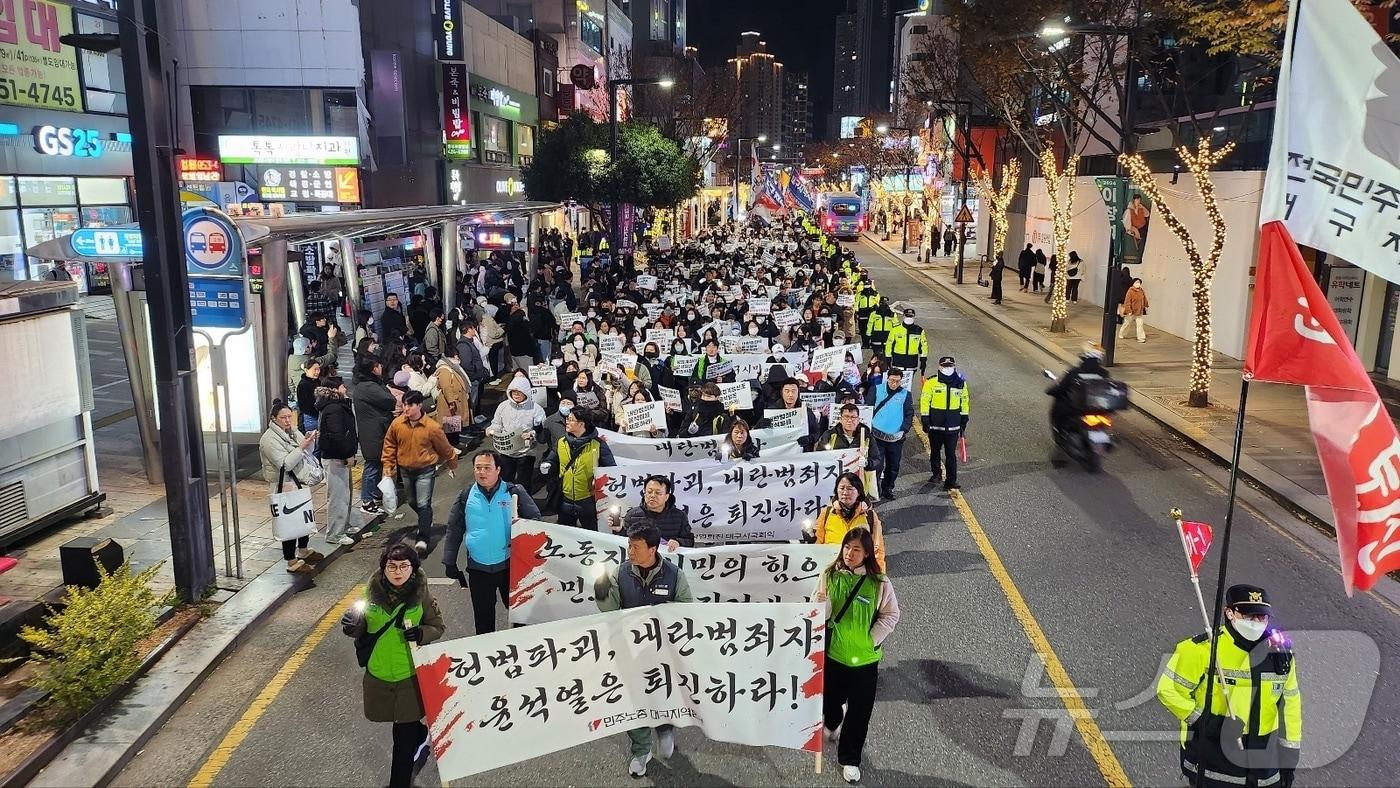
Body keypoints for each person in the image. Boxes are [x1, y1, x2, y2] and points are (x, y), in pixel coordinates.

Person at [1157, 584, 1300, 788]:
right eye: (1249, 616)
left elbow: (1291, 707)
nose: (1256, 622)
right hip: (1214, 763)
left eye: (1262, 617)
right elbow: (1168, 690)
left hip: (1264, 767)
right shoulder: (1202, 649)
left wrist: (1289, 758)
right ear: (1230, 613)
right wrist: (1207, 722)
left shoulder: (1280, 655)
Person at [593, 522, 695, 778]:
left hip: (663, 653)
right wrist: (602, 594)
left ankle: (665, 728)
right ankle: (641, 750)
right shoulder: (621, 573)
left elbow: (686, 610)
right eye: (629, 545)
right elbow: (610, 612)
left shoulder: (674, 575)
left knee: (663, 693)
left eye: (636, 546)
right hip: (629, 651)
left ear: (652, 549)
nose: (630, 551)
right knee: (633, 699)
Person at [341, 542, 445, 788]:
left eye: (403, 566)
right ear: (383, 568)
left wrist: (421, 634)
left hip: (409, 676)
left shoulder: (422, 596)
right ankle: (420, 733)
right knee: (394, 723)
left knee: (402, 736)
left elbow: (437, 627)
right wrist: (351, 624)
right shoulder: (369, 595)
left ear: (413, 568)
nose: (397, 572)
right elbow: (359, 627)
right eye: (392, 566)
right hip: (378, 675)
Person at [814, 528, 900, 784]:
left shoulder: (879, 582)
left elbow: (891, 615)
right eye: (847, 548)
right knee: (830, 702)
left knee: (860, 713)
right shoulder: (829, 575)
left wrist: (871, 641)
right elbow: (819, 615)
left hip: (865, 661)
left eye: (857, 549)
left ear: (867, 553)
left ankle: (849, 759)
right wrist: (821, 602)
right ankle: (833, 720)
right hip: (834, 656)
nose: (850, 554)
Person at [443, 450, 541, 633]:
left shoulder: (513, 492)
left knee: (521, 617)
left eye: (487, 468)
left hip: (510, 567)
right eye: (478, 468)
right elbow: (454, 529)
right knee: (483, 620)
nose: (482, 472)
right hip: (478, 569)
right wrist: (449, 561)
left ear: (498, 470)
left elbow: (535, 520)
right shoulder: (465, 496)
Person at [381, 391, 458, 556]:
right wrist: (388, 465)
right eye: (404, 405)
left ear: (419, 405)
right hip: (405, 470)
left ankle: (423, 538)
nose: (406, 409)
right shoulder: (397, 424)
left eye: (410, 405)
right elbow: (389, 446)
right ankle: (426, 519)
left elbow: (445, 448)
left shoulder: (432, 427)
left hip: (425, 470)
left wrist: (452, 465)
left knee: (423, 504)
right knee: (411, 501)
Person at [258, 400, 324, 574]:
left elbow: (307, 452)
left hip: (298, 481)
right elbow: (284, 465)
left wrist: (308, 440)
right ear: (274, 419)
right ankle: (291, 560)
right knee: (288, 523)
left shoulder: (291, 431)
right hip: (283, 485)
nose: (288, 421)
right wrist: (301, 447)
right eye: (283, 417)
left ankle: (303, 549)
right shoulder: (269, 439)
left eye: (289, 417)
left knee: (303, 517)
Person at [541, 407, 616, 530]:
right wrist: (547, 464)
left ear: (581, 424)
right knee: (566, 535)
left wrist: (598, 481)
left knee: (591, 535)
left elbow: (611, 471)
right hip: (565, 499)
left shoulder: (598, 444)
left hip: (588, 502)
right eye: (567, 419)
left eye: (571, 420)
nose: (567, 422)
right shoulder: (561, 442)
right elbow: (552, 459)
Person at [315, 376, 361, 548]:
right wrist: (347, 454)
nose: (345, 388)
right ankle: (335, 533)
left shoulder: (337, 405)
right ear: (334, 390)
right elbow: (337, 436)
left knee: (344, 495)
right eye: (342, 386)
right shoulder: (334, 408)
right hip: (336, 457)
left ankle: (341, 528)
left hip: (338, 456)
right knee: (338, 497)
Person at [809, 472, 885, 571]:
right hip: (832, 570)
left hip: (859, 572)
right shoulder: (827, 512)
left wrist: (880, 576)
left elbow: (877, 548)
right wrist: (810, 541)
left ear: (859, 492)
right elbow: (818, 543)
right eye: (841, 488)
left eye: (850, 489)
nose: (845, 492)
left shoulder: (869, 516)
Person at [920, 355, 970, 490]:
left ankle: (951, 480)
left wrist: (964, 417)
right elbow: (925, 401)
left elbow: (964, 401)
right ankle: (936, 474)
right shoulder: (931, 382)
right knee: (935, 452)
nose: (947, 369)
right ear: (939, 367)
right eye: (944, 366)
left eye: (949, 366)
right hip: (936, 425)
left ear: (954, 367)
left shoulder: (960, 383)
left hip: (953, 425)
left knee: (950, 454)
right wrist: (925, 418)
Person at [487, 376, 546, 484]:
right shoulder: (503, 406)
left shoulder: (536, 409)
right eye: (514, 392)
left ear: (526, 392)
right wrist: (492, 430)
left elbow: (541, 431)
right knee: (504, 481)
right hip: (506, 452)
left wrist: (531, 435)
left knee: (524, 482)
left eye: (519, 392)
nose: (516, 395)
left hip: (526, 452)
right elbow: (496, 423)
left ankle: (523, 500)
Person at [866, 367, 913, 500]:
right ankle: (875, 491)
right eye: (892, 380)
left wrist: (904, 429)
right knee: (877, 466)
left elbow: (909, 414)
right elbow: (867, 408)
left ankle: (888, 488)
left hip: (895, 438)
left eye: (898, 381)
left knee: (893, 466)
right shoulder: (876, 389)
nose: (894, 384)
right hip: (876, 436)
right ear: (887, 378)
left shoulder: (905, 394)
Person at [617, 475, 695, 548]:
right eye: (649, 492)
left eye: (658, 493)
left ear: (666, 496)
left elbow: (690, 541)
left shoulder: (679, 516)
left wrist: (678, 542)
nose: (653, 496)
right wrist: (619, 530)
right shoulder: (632, 515)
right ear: (644, 493)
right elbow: (623, 543)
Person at [882, 307, 928, 377]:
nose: (909, 318)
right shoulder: (895, 330)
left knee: (908, 384)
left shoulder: (919, 330)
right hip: (897, 361)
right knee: (896, 383)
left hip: (912, 362)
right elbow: (889, 344)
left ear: (914, 317)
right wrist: (888, 358)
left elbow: (924, 346)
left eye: (911, 316)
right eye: (907, 316)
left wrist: (923, 360)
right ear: (903, 316)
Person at [1118, 277, 1149, 343]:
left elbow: (1144, 299)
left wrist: (1146, 306)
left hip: (1139, 311)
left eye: (1139, 282)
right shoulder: (1130, 291)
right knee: (1127, 323)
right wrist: (1129, 310)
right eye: (1136, 282)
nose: (1138, 284)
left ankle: (1141, 337)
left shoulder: (1141, 290)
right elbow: (1127, 302)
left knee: (1140, 324)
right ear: (1133, 283)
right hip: (1131, 311)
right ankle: (1122, 334)